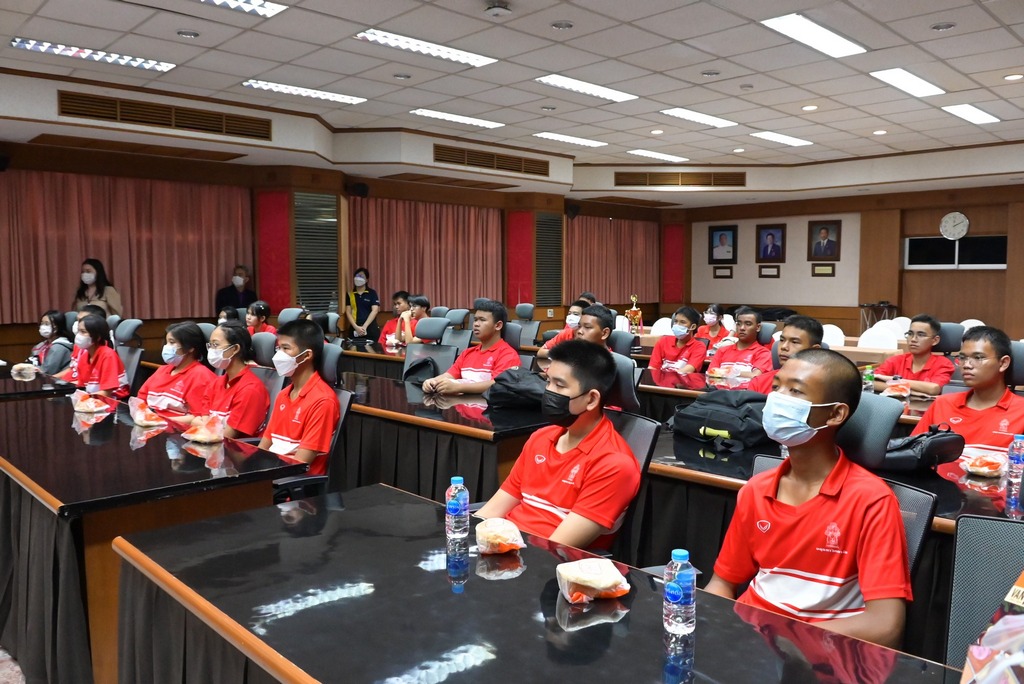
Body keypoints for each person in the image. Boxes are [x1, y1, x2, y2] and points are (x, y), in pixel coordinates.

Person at [706, 349, 912, 648]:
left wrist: (785, 638)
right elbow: (722, 584)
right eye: (776, 386)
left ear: (835, 414)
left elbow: (885, 624)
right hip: (750, 645)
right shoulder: (756, 489)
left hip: (822, 653)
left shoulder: (870, 500)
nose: (777, 398)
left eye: (795, 391)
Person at [476, 340, 640, 550]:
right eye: (548, 382)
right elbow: (492, 510)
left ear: (591, 399)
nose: (548, 392)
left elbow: (557, 548)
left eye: (559, 385)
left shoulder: (614, 464)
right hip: (503, 546)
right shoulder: (540, 437)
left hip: (543, 565)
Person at [911, 326, 1024, 449]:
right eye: (962, 358)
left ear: (1003, 363)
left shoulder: (1021, 412)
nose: (967, 365)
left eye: (978, 358)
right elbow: (912, 453)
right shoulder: (942, 404)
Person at [258, 319, 341, 475]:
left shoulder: (323, 401)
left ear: (306, 355)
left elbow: (299, 464)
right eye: (278, 348)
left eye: (286, 348)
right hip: (270, 474)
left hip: (293, 484)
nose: (278, 355)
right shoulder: (283, 394)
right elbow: (264, 446)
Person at [422, 300, 519, 395]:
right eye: (475, 319)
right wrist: (433, 381)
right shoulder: (467, 353)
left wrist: (457, 387)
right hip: (462, 407)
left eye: (482, 320)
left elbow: (497, 384)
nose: (476, 324)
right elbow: (449, 375)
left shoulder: (508, 354)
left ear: (498, 325)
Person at [201, 322, 270, 439]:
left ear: (235, 349)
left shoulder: (250, 389)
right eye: (210, 345)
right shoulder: (217, 383)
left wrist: (202, 426)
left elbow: (228, 436)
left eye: (216, 345)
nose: (211, 350)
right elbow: (202, 420)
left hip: (236, 452)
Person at [137, 321, 216, 422]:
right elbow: (140, 400)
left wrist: (160, 421)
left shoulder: (201, 376)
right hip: (151, 427)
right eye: (166, 342)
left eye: (172, 342)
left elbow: (199, 418)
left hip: (179, 434)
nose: (166, 347)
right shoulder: (162, 370)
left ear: (190, 348)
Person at [872, 314, 955, 396]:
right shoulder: (895, 360)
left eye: (921, 335)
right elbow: (872, 382)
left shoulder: (943, 363)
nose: (913, 339)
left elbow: (933, 389)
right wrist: (908, 391)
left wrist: (892, 380)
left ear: (935, 340)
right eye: (910, 334)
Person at [748, 315, 823, 394]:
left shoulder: (824, 387)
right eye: (782, 340)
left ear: (814, 350)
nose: (784, 347)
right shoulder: (759, 382)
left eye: (794, 342)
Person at [706, 306, 772, 388]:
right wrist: (735, 373)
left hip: (744, 397)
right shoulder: (722, 350)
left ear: (758, 327)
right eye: (739, 324)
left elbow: (755, 376)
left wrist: (732, 372)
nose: (742, 328)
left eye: (748, 324)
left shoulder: (763, 353)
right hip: (718, 394)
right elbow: (711, 373)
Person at [66, 314, 129, 398]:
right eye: (78, 331)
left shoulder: (108, 355)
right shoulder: (84, 356)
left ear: (97, 337)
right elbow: (81, 387)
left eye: (83, 332)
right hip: (94, 399)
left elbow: (106, 393)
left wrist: (84, 400)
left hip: (114, 401)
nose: (78, 335)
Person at [648, 306, 706, 373]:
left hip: (684, 382)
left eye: (682, 322)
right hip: (660, 381)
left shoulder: (699, 347)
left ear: (693, 327)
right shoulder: (663, 341)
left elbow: (688, 370)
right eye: (675, 321)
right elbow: (653, 367)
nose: (677, 325)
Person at [27, 310, 74, 375]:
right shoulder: (41, 345)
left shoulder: (59, 347)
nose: (43, 326)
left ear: (56, 327)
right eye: (42, 323)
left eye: (46, 324)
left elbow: (47, 372)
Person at [345, 267, 380, 341]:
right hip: (354, 328)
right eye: (357, 276)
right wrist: (356, 327)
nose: (358, 278)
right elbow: (348, 312)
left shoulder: (372, 293)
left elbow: (375, 310)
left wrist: (364, 327)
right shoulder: (350, 294)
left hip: (370, 328)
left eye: (361, 276)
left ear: (367, 280)